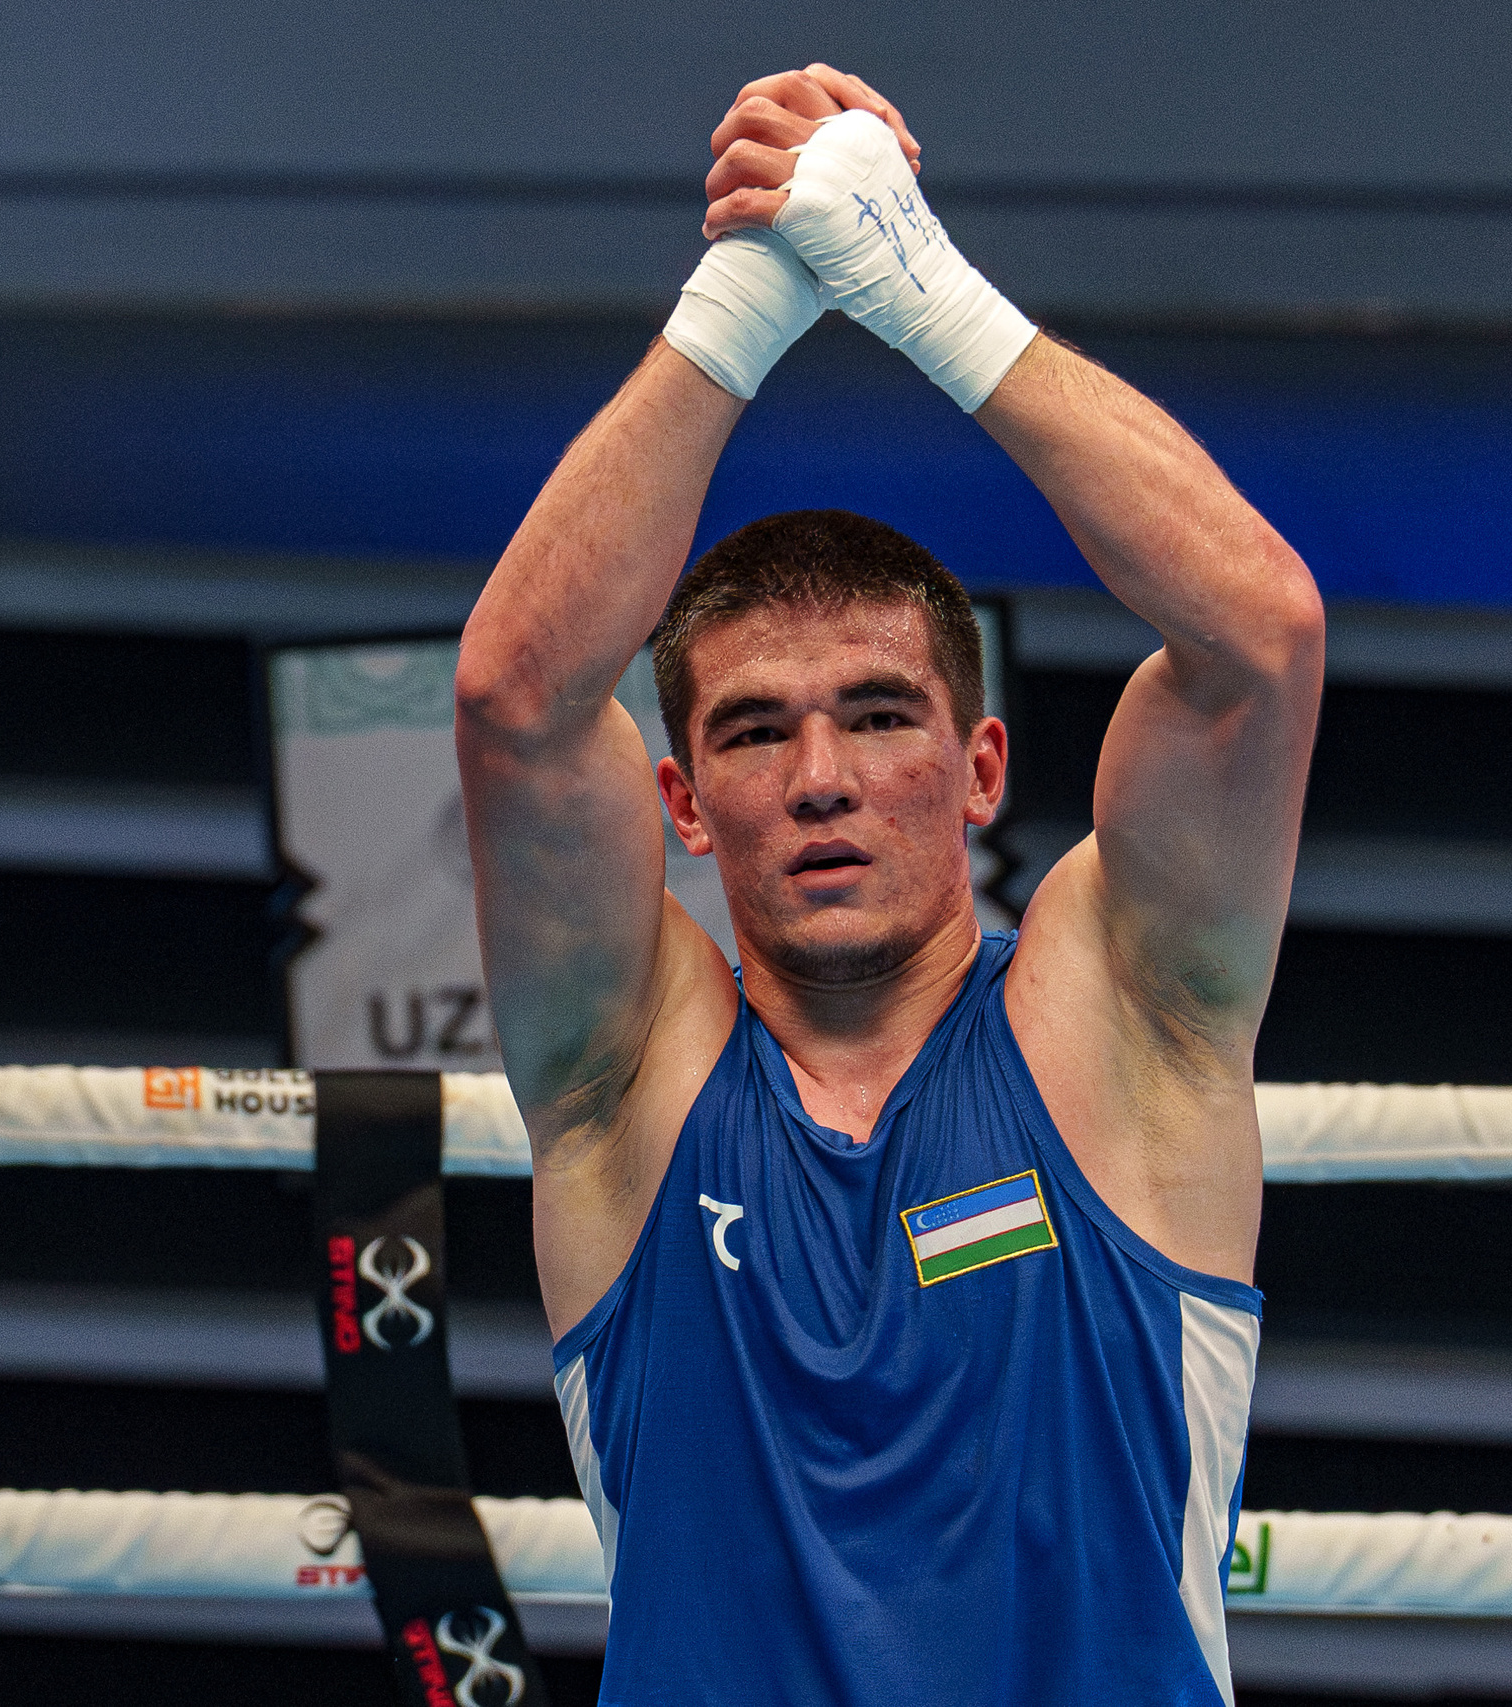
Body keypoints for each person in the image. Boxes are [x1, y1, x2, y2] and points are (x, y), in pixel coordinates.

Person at [454, 63, 1325, 1707]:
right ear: (682, 801)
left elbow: (1257, 644)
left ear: (982, 770)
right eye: (755, 731)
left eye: (876, 716)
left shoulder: (1120, 1022)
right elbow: (516, 701)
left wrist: (914, 282)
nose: (822, 777)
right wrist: (751, 295)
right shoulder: (627, 1076)